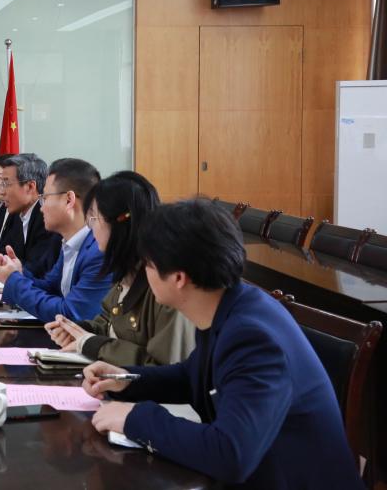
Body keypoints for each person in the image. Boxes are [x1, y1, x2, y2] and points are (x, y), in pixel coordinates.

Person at [83, 199, 363, 490]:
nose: (145, 272)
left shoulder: (252, 338)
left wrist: (136, 419)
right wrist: (126, 380)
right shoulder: (227, 304)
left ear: (178, 278)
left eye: (149, 264)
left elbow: (231, 454)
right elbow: (192, 375)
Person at [44, 171, 194, 365]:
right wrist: (79, 331)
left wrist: (94, 345)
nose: (91, 228)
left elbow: (164, 369)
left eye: (94, 219)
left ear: (120, 223)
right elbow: (109, 322)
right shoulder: (126, 270)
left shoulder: (165, 281)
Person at [0, 158, 108, 321]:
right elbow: (48, 288)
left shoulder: (98, 250)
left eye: (45, 198)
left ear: (69, 200)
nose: (42, 208)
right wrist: (17, 273)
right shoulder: (70, 243)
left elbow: (71, 314)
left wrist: (13, 279)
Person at [0, 154, 59, 278]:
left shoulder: (47, 218)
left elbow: (39, 270)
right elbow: (8, 252)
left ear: (30, 187)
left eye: (6, 184)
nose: (1, 191)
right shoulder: (19, 214)